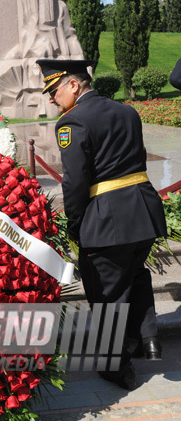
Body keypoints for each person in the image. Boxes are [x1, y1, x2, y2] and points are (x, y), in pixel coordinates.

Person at [36, 58, 167, 391]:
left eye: (54, 89)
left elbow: (76, 182)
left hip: (107, 220)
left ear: (74, 85)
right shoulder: (127, 112)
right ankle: (147, 340)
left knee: (106, 291)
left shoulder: (72, 122)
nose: (52, 98)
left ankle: (118, 368)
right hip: (144, 213)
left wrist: (77, 224)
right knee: (135, 273)